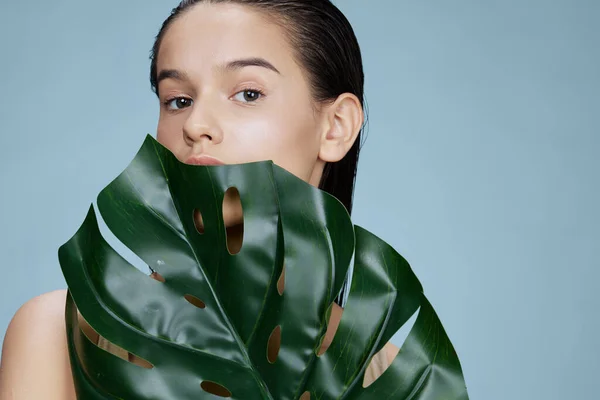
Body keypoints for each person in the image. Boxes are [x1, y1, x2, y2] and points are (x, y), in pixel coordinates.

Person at [0, 1, 399, 398]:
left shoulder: (387, 378)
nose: (195, 125)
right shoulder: (58, 336)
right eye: (178, 100)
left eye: (247, 93)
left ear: (335, 127)